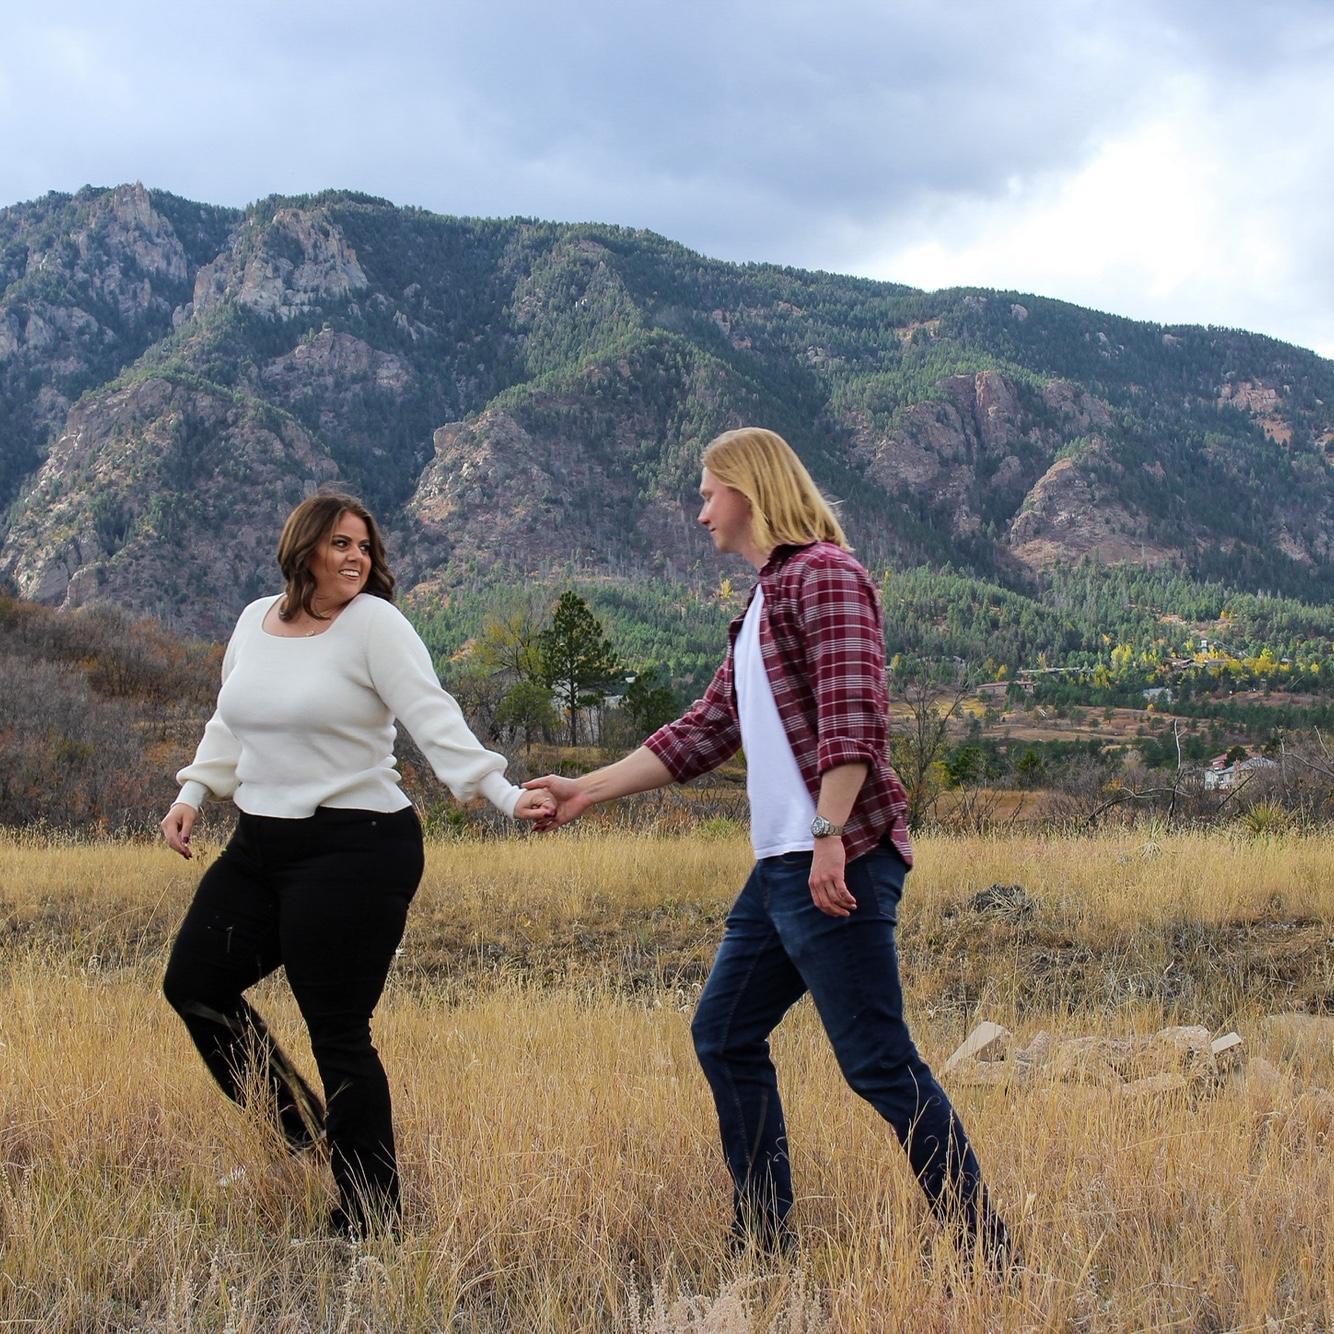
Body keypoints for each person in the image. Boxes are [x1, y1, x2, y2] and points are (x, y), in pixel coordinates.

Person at [525, 428, 1012, 1266]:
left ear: (748, 490)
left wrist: (829, 836)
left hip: (835, 861)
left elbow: (856, 720)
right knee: (724, 1034)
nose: (701, 512)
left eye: (708, 493)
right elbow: (704, 730)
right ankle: (764, 1242)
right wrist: (585, 792)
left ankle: (985, 1249)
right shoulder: (764, 598)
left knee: (878, 1063)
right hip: (783, 866)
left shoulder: (826, 574)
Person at [160, 491, 553, 1237]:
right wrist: (194, 791)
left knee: (337, 1032)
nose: (356, 558)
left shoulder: (375, 624)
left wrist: (502, 794)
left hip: (357, 844)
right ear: (304, 548)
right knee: (195, 985)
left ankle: (371, 1215)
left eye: (365, 547)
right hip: (259, 843)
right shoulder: (255, 620)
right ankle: (305, 1132)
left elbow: (432, 715)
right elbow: (230, 718)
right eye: (341, 543)